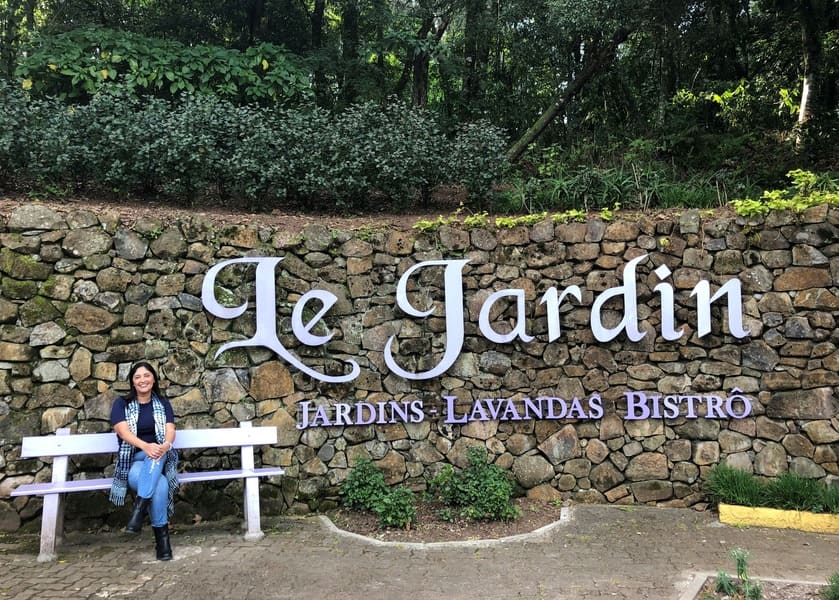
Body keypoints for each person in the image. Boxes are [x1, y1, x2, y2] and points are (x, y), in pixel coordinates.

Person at [108, 361, 179, 561]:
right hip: (132, 462)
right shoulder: (121, 403)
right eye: (138, 377)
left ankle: (138, 511)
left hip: (159, 456)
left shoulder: (163, 403)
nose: (142, 380)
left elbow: (170, 430)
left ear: (153, 379)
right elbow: (122, 431)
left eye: (146, 376)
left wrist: (165, 445)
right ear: (132, 381)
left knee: (157, 455)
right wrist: (146, 446)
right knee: (161, 484)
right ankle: (163, 543)